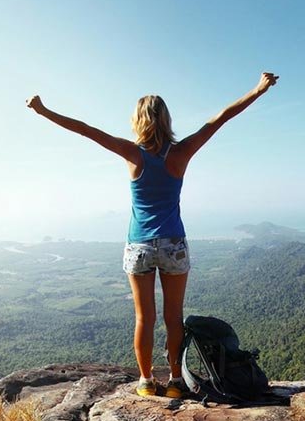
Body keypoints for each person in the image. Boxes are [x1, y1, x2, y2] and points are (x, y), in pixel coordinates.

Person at [26, 73, 280, 397]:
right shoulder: (182, 152)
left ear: (138, 120)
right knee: (174, 318)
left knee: (144, 317)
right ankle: (175, 382)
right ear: (167, 119)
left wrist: (43, 111)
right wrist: (258, 89)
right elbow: (221, 118)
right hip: (173, 244)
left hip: (139, 246)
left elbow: (86, 130)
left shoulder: (132, 154)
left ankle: (146, 382)